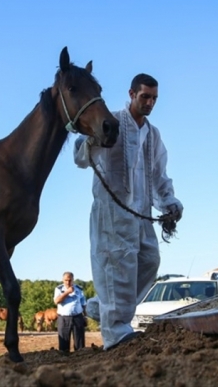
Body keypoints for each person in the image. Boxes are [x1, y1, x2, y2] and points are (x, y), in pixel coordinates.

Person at [73, 73, 183, 350]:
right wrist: (93, 140)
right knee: (117, 266)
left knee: (149, 261)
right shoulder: (111, 121)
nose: (149, 102)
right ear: (132, 94)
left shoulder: (152, 134)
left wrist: (169, 202)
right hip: (112, 211)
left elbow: (159, 174)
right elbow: (80, 157)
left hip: (141, 212)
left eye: (154, 98)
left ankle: (101, 307)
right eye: (145, 96)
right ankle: (117, 334)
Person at [54, 271, 87, 353]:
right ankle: (65, 362)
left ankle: (80, 361)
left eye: (70, 280)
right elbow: (57, 301)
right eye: (66, 280)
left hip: (78, 317)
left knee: (80, 343)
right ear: (62, 280)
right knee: (63, 344)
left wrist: (85, 317)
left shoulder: (79, 289)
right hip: (64, 318)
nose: (68, 282)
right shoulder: (59, 289)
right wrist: (67, 292)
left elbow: (84, 304)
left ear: (73, 280)